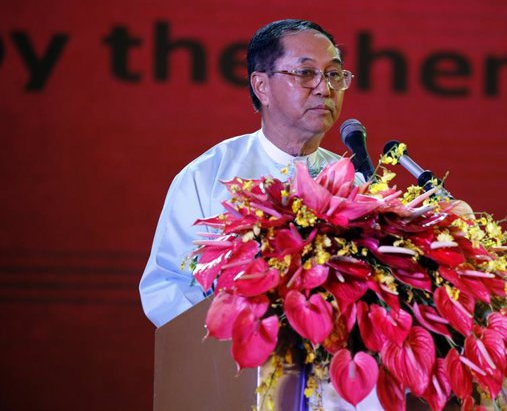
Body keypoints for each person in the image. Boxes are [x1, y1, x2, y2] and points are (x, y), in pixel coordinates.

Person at [139, 19, 354, 327]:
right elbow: (167, 285)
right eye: (306, 73)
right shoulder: (209, 176)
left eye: (333, 74)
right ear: (261, 86)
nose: (325, 88)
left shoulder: (353, 182)